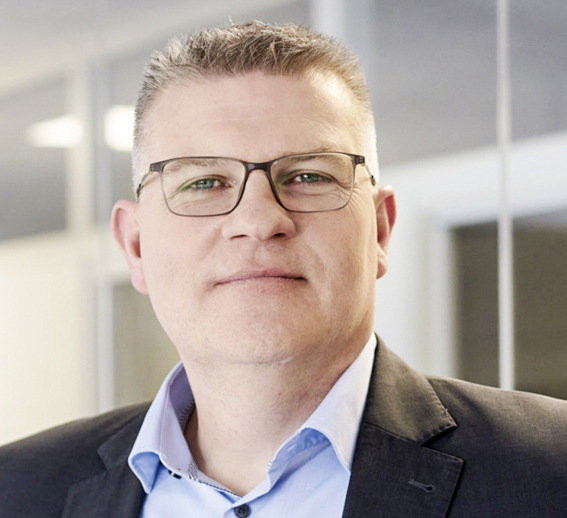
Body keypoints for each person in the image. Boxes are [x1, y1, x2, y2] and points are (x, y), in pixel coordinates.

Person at [0, 20, 566, 518]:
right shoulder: (17, 489)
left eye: (309, 176)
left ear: (378, 230)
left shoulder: (551, 472)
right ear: (136, 247)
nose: (259, 220)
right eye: (204, 182)